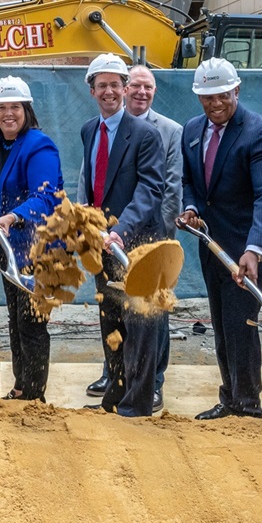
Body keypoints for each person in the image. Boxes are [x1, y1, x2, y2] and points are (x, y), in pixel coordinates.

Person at [177, 57, 262, 420]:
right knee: (223, 327)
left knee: (241, 327)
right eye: (207, 97)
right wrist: (191, 207)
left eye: (223, 95)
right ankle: (230, 399)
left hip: (247, 249)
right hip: (212, 246)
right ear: (198, 98)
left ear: (236, 90)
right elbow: (191, 182)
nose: (216, 104)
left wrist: (255, 250)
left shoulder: (261, 132)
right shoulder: (192, 129)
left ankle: (248, 406)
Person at [0, 76, 63, 401]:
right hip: (9, 247)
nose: (8, 113)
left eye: (14, 107)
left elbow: (47, 197)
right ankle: (21, 386)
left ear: (26, 110)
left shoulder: (39, 145)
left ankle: (34, 397)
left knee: (31, 323)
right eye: (2, 107)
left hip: (39, 247)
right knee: (16, 320)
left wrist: (12, 216)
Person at [86, 64, 182, 411]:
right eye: (102, 86)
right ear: (92, 90)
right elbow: (93, 188)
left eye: (115, 85)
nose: (109, 92)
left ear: (124, 89)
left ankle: (137, 405)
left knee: (141, 327)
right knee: (110, 320)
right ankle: (114, 397)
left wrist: (120, 231)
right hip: (103, 243)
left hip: (137, 243)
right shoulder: (89, 131)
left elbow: (150, 190)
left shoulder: (145, 134)